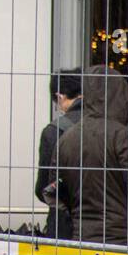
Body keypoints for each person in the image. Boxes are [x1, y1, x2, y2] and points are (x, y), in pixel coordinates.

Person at [55, 65, 128, 247]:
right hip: (123, 238)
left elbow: (55, 190)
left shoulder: (67, 138)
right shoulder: (122, 134)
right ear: (120, 93)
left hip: (82, 238)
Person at [35, 69, 82, 240]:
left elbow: (43, 189)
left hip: (65, 227)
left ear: (60, 96)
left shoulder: (54, 131)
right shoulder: (115, 127)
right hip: (110, 231)